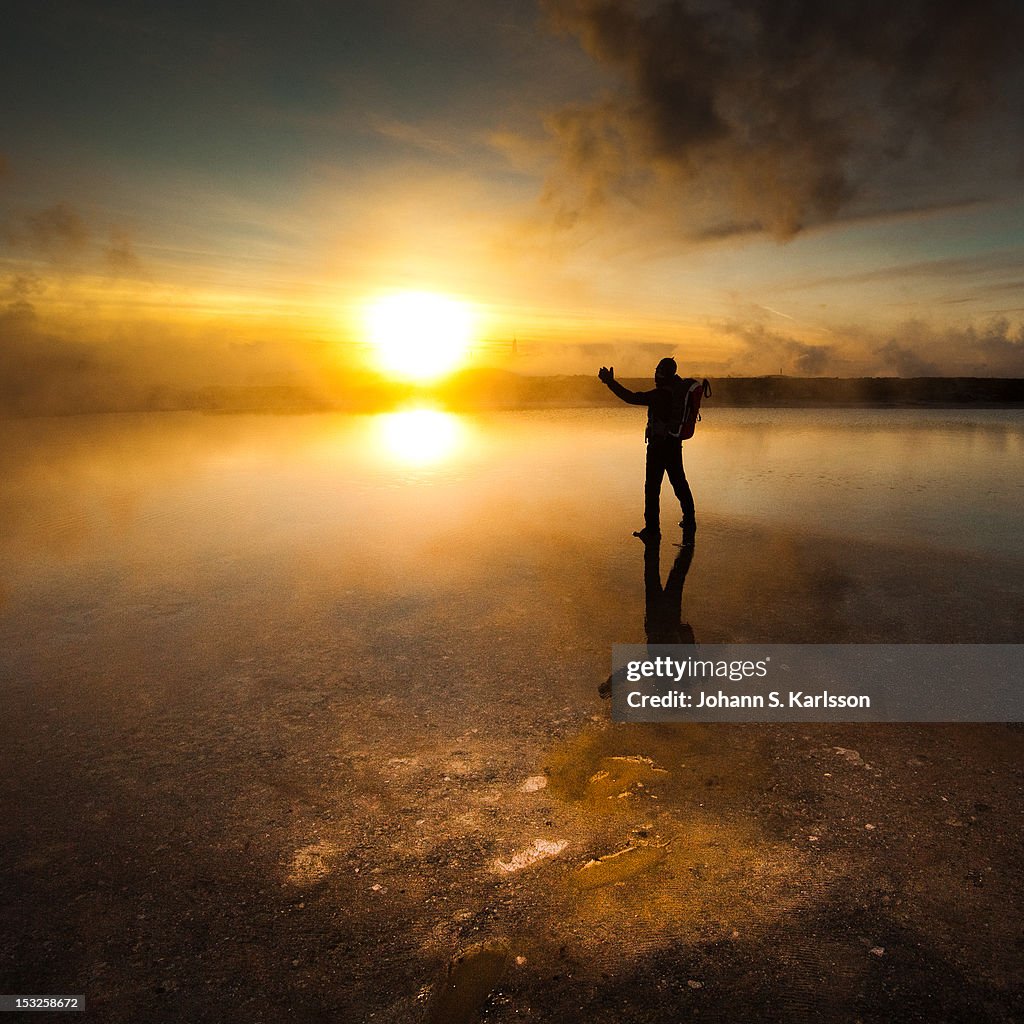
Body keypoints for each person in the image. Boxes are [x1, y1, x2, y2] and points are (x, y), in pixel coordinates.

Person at [598, 357, 696, 544]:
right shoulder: (678, 389)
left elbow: (631, 397)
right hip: (674, 444)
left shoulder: (660, 395)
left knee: (652, 488)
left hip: (658, 447)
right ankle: (690, 520)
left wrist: (610, 382)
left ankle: (652, 530)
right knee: (679, 482)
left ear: (662, 373)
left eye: (657, 370)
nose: (655, 374)